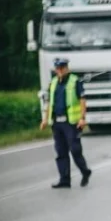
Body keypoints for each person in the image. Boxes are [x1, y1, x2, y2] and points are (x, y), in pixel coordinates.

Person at [40, 58, 92, 188]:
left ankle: (85, 171)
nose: (60, 70)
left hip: (71, 123)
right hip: (57, 122)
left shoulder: (75, 81)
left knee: (75, 150)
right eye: (57, 68)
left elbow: (82, 100)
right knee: (60, 152)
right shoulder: (53, 82)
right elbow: (49, 103)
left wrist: (82, 118)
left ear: (67, 68)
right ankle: (64, 179)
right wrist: (45, 119)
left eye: (62, 67)